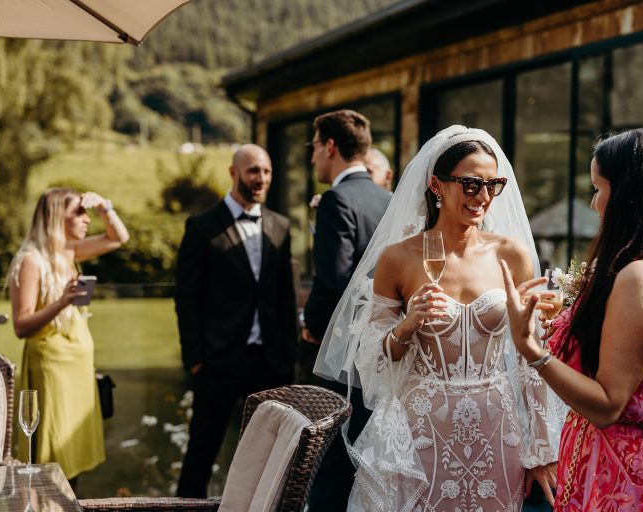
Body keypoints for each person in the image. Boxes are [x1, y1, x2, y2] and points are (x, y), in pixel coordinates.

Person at [314, 125, 565, 511]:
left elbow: (531, 355)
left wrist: (542, 448)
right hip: (421, 433)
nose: (483, 197)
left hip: (498, 432)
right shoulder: (398, 258)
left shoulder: (511, 254)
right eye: (471, 184)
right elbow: (370, 359)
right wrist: (406, 326)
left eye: (492, 185)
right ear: (436, 185)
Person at [500, 128, 643, 510]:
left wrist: (530, 348)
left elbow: (607, 404)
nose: (594, 204)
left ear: (628, 194)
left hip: (619, 471)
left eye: (598, 188)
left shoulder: (639, 277)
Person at [175, 144, 298, 498]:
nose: (261, 178)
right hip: (218, 360)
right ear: (233, 173)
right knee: (201, 453)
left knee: (271, 454)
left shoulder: (280, 225)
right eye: (253, 170)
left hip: (269, 360)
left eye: (267, 171)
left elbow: (284, 296)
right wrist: (195, 358)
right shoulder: (201, 227)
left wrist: (288, 354)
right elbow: (186, 297)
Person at [302, 109, 392, 511]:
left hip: (345, 357)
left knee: (332, 462)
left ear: (330, 147)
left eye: (314, 147)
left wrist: (310, 324)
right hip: (382, 351)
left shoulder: (337, 200)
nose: (312, 157)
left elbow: (333, 280)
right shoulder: (388, 199)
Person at [9, 188, 129, 484]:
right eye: (79, 212)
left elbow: (118, 238)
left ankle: (70, 502)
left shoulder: (69, 252)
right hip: (53, 372)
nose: (87, 219)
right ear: (55, 217)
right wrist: (62, 301)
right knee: (54, 458)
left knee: (73, 460)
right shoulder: (31, 261)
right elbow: (21, 325)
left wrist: (105, 207)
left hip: (78, 369)